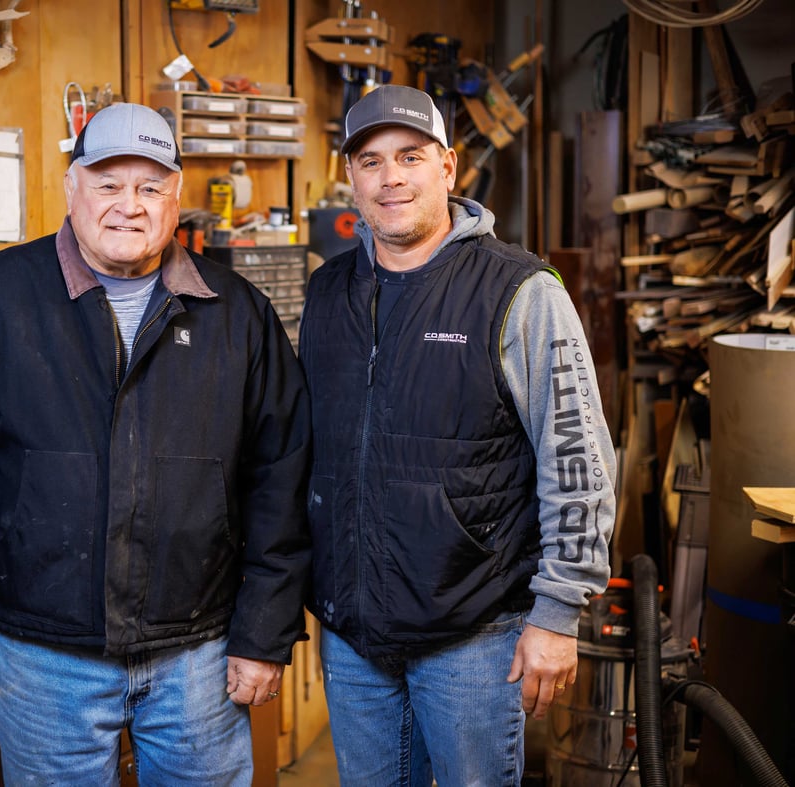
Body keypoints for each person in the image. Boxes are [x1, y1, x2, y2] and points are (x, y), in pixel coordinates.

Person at [0, 102, 312, 784]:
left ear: (176, 198)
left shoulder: (237, 313)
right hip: (46, 658)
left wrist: (264, 632)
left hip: (200, 654)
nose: (129, 205)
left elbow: (280, 482)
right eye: (107, 183)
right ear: (71, 188)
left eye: (150, 187)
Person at [298, 84, 616, 786]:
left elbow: (579, 458)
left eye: (409, 156)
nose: (391, 178)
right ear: (350, 177)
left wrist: (558, 613)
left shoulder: (521, 291)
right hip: (355, 634)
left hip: (474, 632)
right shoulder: (327, 294)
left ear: (448, 166)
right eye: (371, 161)